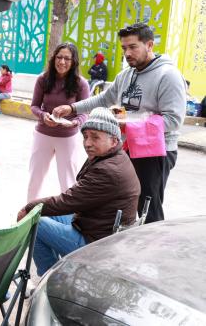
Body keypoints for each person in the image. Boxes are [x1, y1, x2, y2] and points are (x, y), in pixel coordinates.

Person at [53, 23, 186, 223]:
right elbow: (104, 99)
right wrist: (72, 108)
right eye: (124, 48)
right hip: (126, 146)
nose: (127, 53)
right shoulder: (126, 74)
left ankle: (151, 250)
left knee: (147, 208)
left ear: (149, 45)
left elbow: (174, 120)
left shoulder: (168, 75)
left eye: (133, 47)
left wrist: (128, 125)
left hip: (156, 153)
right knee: (122, 202)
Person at [17, 108, 140, 276]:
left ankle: (52, 280)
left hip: (97, 243)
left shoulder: (108, 170)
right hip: (97, 226)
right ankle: (56, 273)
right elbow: (71, 199)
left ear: (113, 140)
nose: (87, 143)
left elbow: (67, 201)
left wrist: (28, 207)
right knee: (44, 214)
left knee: (33, 222)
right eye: (86, 137)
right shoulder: (112, 156)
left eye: (95, 137)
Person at [27, 43, 90, 202]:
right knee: (35, 176)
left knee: (68, 180)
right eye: (59, 57)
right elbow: (34, 106)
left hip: (68, 137)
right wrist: (43, 116)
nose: (62, 62)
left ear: (74, 61)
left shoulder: (80, 83)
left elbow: (85, 111)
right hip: (43, 134)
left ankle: (70, 218)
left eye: (67, 58)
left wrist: (74, 123)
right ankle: (28, 212)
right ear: (54, 58)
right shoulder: (43, 79)